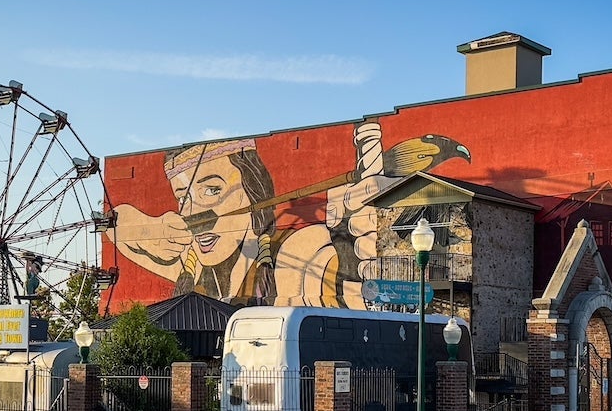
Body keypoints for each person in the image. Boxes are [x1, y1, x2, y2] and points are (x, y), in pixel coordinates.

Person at [109, 121, 402, 308]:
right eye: (182, 197)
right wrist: (137, 221)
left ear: (253, 191)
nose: (191, 213)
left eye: (212, 190)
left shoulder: (292, 249)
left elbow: (317, 264)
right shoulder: (192, 263)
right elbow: (117, 227)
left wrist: (346, 262)